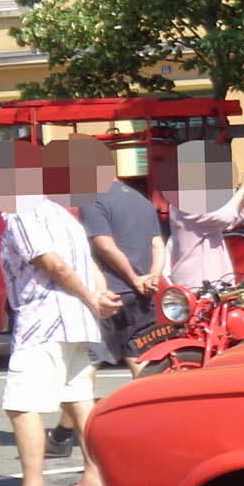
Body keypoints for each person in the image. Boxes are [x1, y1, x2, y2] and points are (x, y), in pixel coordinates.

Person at [0, 139, 121, 486]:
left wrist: (91, 298)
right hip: (76, 321)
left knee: (20, 404)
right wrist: (97, 297)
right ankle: (94, 478)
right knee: (78, 397)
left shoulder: (21, 213)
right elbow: (87, 263)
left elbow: (52, 264)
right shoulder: (61, 213)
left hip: (43, 318)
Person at [81, 160, 168, 379]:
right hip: (143, 295)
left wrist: (134, 278)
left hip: (110, 293)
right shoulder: (141, 200)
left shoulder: (92, 200)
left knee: (89, 362)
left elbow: (105, 245)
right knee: (141, 357)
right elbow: (158, 244)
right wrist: (152, 278)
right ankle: (150, 407)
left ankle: (83, 414)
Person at [162, 140, 244, 288]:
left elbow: (230, 221)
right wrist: (243, 189)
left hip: (212, 282)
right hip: (197, 284)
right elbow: (226, 216)